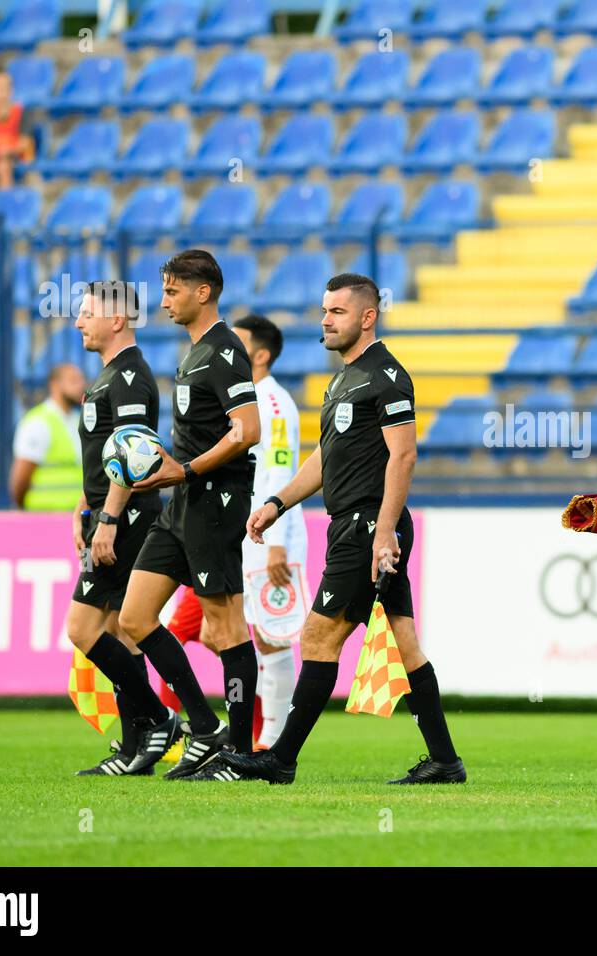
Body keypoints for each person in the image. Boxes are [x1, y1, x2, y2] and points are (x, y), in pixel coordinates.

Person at [215, 273, 466, 786]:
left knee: (318, 636)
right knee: (406, 644)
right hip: (354, 525)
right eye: (324, 310)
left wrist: (383, 533)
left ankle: (280, 758)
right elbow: (327, 458)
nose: (325, 320)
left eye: (337, 312)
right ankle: (445, 760)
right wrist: (278, 503)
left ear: (367, 317)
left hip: (370, 526)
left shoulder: (388, 376)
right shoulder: (341, 380)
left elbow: (404, 455)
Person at [108, 250, 263, 780]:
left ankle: (239, 753)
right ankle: (204, 728)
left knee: (225, 628)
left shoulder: (224, 352)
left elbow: (247, 431)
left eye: (173, 291)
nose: (164, 300)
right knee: (133, 617)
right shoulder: (193, 354)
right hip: (184, 501)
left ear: (203, 292)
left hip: (214, 500)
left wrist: (188, 470)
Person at [154, 316, 307, 752]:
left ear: (259, 354)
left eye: (238, 346)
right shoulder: (239, 397)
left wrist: (277, 543)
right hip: (233, 531)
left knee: (271, 638)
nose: (227, 351)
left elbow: (279, 469)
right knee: (216, 633)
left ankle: (269, 741)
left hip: (268, 537)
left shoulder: (272, 404)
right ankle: (226, 732)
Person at [65, 281, 171, 776]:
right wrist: (85, 508)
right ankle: (135, 751)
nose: (79, 322)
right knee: (116, 630)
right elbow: (103, 460)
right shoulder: (110, 377)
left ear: (117, 320)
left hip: (127, 517)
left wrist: (108, 518)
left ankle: (158, 718)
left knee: (82, 627)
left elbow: (133, 456)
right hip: (110, 513)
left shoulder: (129, 378)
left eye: (87, 313)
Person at [11, 363, 84, 511]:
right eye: (73, 380)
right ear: (55, 385)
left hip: (74, 516)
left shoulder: (79, 420)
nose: (81, 386)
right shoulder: (38, 422)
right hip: (43, 516)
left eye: (81, 380)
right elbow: (21, 478)